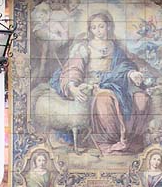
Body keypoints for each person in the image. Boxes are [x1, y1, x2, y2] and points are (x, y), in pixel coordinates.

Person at [50, 11, 150, 154]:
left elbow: (124, 65)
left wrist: (131, 73)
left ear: (108, 27)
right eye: (94, 27)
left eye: (101, 26)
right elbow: (74, 68)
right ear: (90, 30)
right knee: (104, 99)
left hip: (118, 83)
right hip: (94, 86)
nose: (98, 30)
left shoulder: (115, 47)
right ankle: (110, 141)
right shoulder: (85, 47)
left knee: (141, 98)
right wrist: (72, 87)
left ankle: (130, 139)